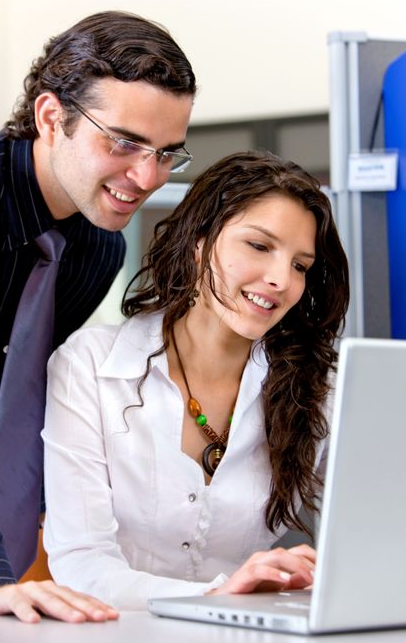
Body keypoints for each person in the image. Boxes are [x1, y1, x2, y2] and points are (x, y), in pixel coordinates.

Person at [0, 10, 196, 621]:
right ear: (50, 117)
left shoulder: (96, 248)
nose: (146, 177)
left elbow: (9, 399)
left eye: (167, 153)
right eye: (123, 143)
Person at [42, 150, 350, 609]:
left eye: (300, 265)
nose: (280, 279)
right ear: (199, 242)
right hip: (113, 640)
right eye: (260, 246)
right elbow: (82, 566)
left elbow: (376, 530)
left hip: (247, 641)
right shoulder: (89, 366)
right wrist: (216, 594)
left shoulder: (317, 389)